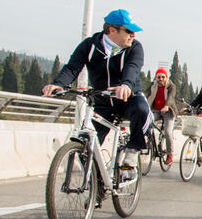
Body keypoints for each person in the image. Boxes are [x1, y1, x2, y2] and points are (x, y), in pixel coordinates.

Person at [42, 9, 149, 168]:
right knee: (86, 147)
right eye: (129, 31)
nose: (133, 35)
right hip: (103, 101)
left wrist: (125, 85)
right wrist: (59, 84)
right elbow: (72, 68)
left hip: (128, 97)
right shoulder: (90, 45)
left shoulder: (135, 47)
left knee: (141, 110)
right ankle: (98, 184)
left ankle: (133, 149)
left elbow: (133, 67)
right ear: (112, 30)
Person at [146, 67, 176, 165]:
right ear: (155, 78)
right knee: (146, 122)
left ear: (166, 77)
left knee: (167, 132)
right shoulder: (153, 85)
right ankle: (149, 141)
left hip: (168, 112)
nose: (161, 79)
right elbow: (146, 93)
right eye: (158, 77)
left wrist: (167, 105)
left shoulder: (171, 86)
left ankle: (170, 154)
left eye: (163, 77)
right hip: (156, 110)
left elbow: (171, 96)